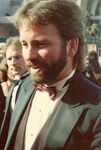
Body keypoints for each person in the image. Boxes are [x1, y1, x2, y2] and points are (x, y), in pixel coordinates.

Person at [2, 0, 101, 150]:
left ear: (72, 46)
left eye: (40, 44)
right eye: (24, 44)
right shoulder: (21, 87)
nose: (28, 55)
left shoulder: (97, 108)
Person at [0, 36, 33, 149]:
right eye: (9, 59)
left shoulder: (35, 86)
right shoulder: (15, 84)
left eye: (18, 57)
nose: (13, 63)